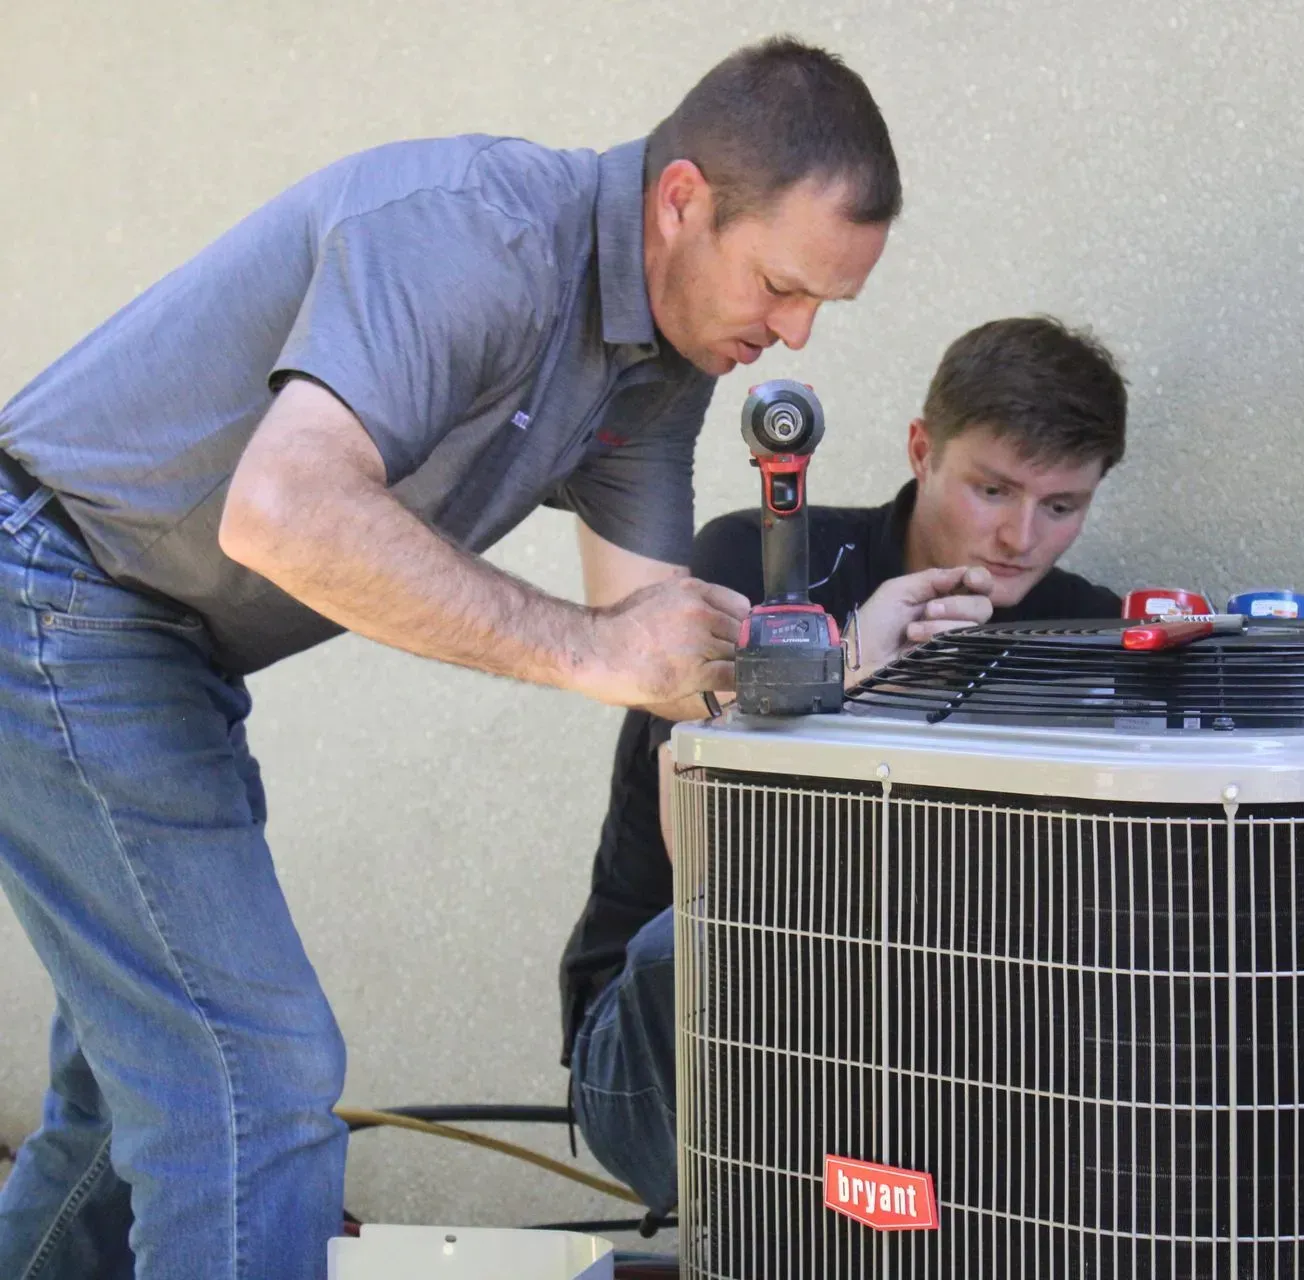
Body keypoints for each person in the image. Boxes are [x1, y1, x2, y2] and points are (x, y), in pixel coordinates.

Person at [0, 36, 979, 1280]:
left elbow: (660, 654)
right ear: (682, 201)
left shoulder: (657, 368)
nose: (793, 334)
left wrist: (844, 654)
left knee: (122, 1102)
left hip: (161, 647)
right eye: (783, 285)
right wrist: (591, 650)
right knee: (252, 1082)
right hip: (55, 587)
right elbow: (283, 510)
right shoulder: (475, 236)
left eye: (822, 307)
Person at [559, 315, 1129, 1213]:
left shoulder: (1077, 629)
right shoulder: (754, 558)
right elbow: (708, 850)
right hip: (677, 1039)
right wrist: (854, 673)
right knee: (727, 934)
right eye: (992, 490)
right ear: (921, 450)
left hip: (940, 1049)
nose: (1021, 537)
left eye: (1062, 508)